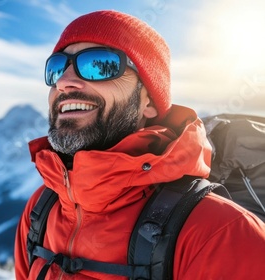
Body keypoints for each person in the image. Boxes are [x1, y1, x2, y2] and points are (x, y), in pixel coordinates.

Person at [14, 10, 265, 279]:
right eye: (56, 68)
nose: (64, 82)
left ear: (149, 102)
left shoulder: (222, 235)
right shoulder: (41, 210)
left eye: (100, 64)